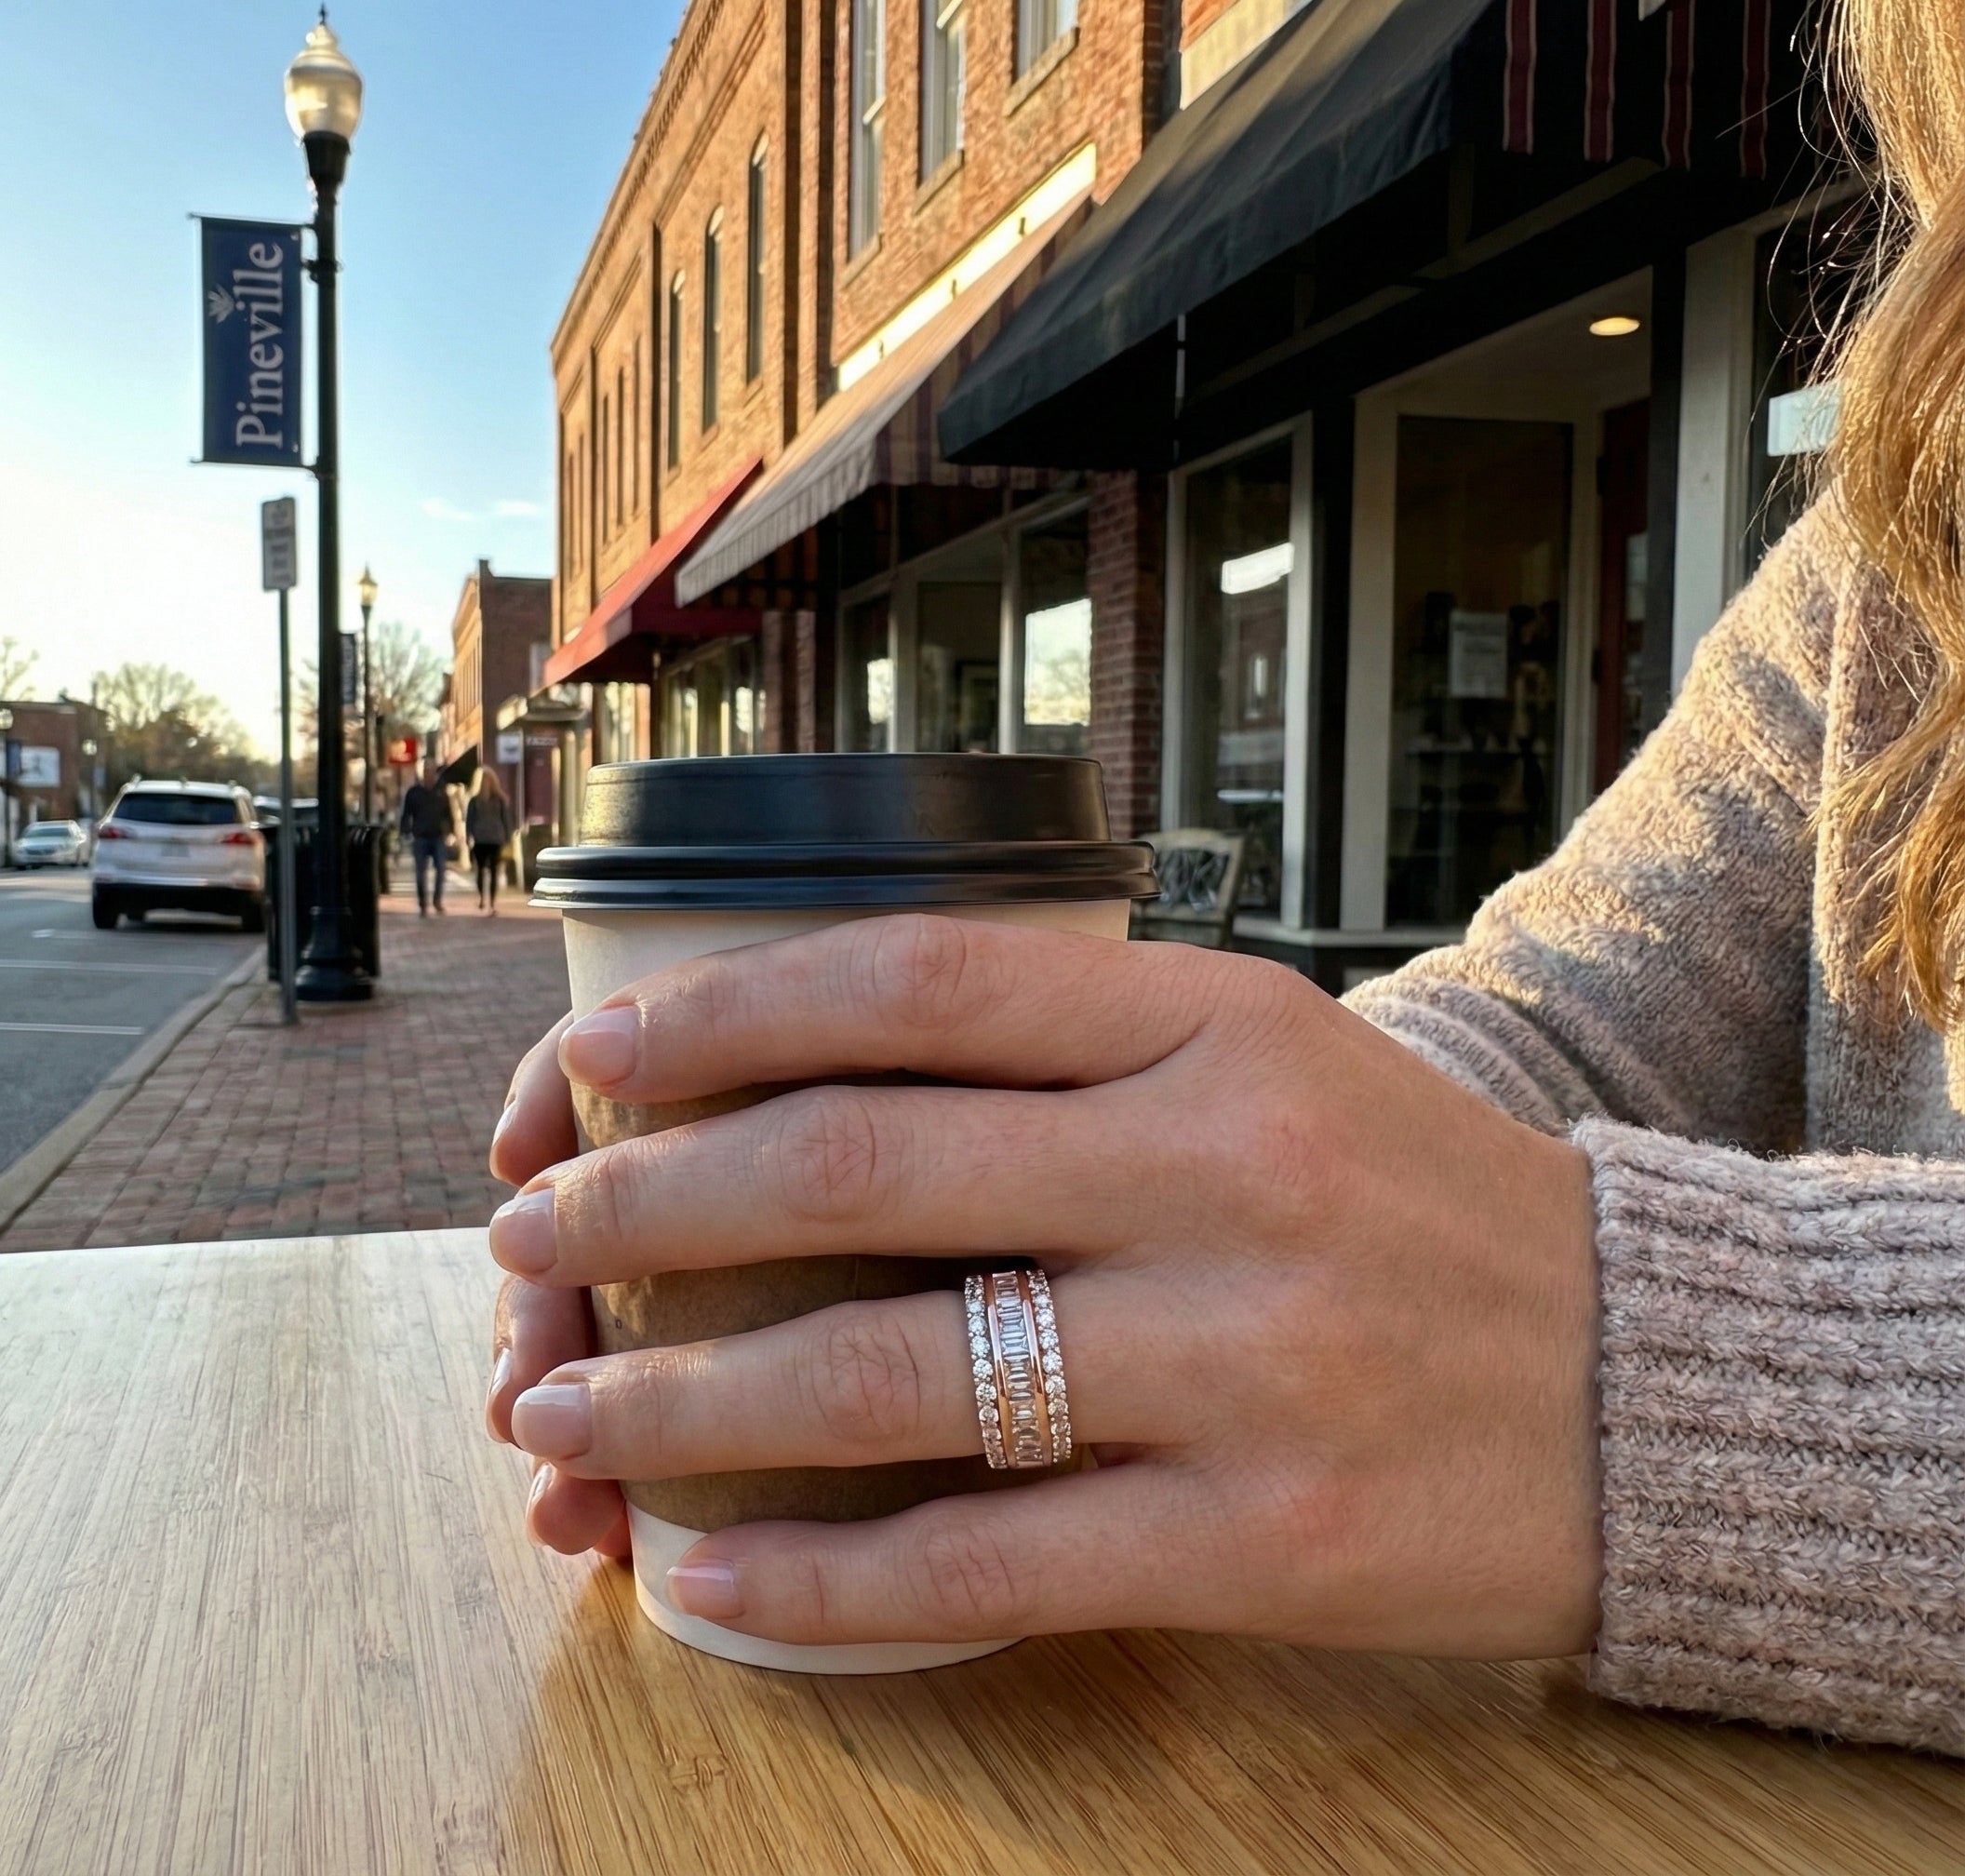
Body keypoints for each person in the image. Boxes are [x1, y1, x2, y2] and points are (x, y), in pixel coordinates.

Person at [481, 4, 1963, 1758]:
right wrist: (1165, 1228)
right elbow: (1567, 1018)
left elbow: (1571, 1285)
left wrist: (1661, 1383)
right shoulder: (1910, 533)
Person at [398, 757, 455, 918]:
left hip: (437, 836)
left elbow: (448, 813)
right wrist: (405, 832)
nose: (427, 773)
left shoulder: (441, 791)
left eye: (430, 770)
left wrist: (451, 832)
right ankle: (423, 903)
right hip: (420, 837)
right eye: (424, 770)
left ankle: (437, 901)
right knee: (420, 873)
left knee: (441, 870)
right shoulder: (413, 792)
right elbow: (405, 815)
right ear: (420, 772)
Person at [467, 769, 515, 916]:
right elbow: (469, 820)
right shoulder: (474, 801)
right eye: (483, 780)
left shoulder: (499, 800)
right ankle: (482, 897)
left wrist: (508, 836)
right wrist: (468, 835)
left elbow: (505, 819)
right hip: (480, 839)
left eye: (488, 780)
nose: (485, 783)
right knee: (480, 871)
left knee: (494, 871)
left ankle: (492, 903)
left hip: (495, 839)